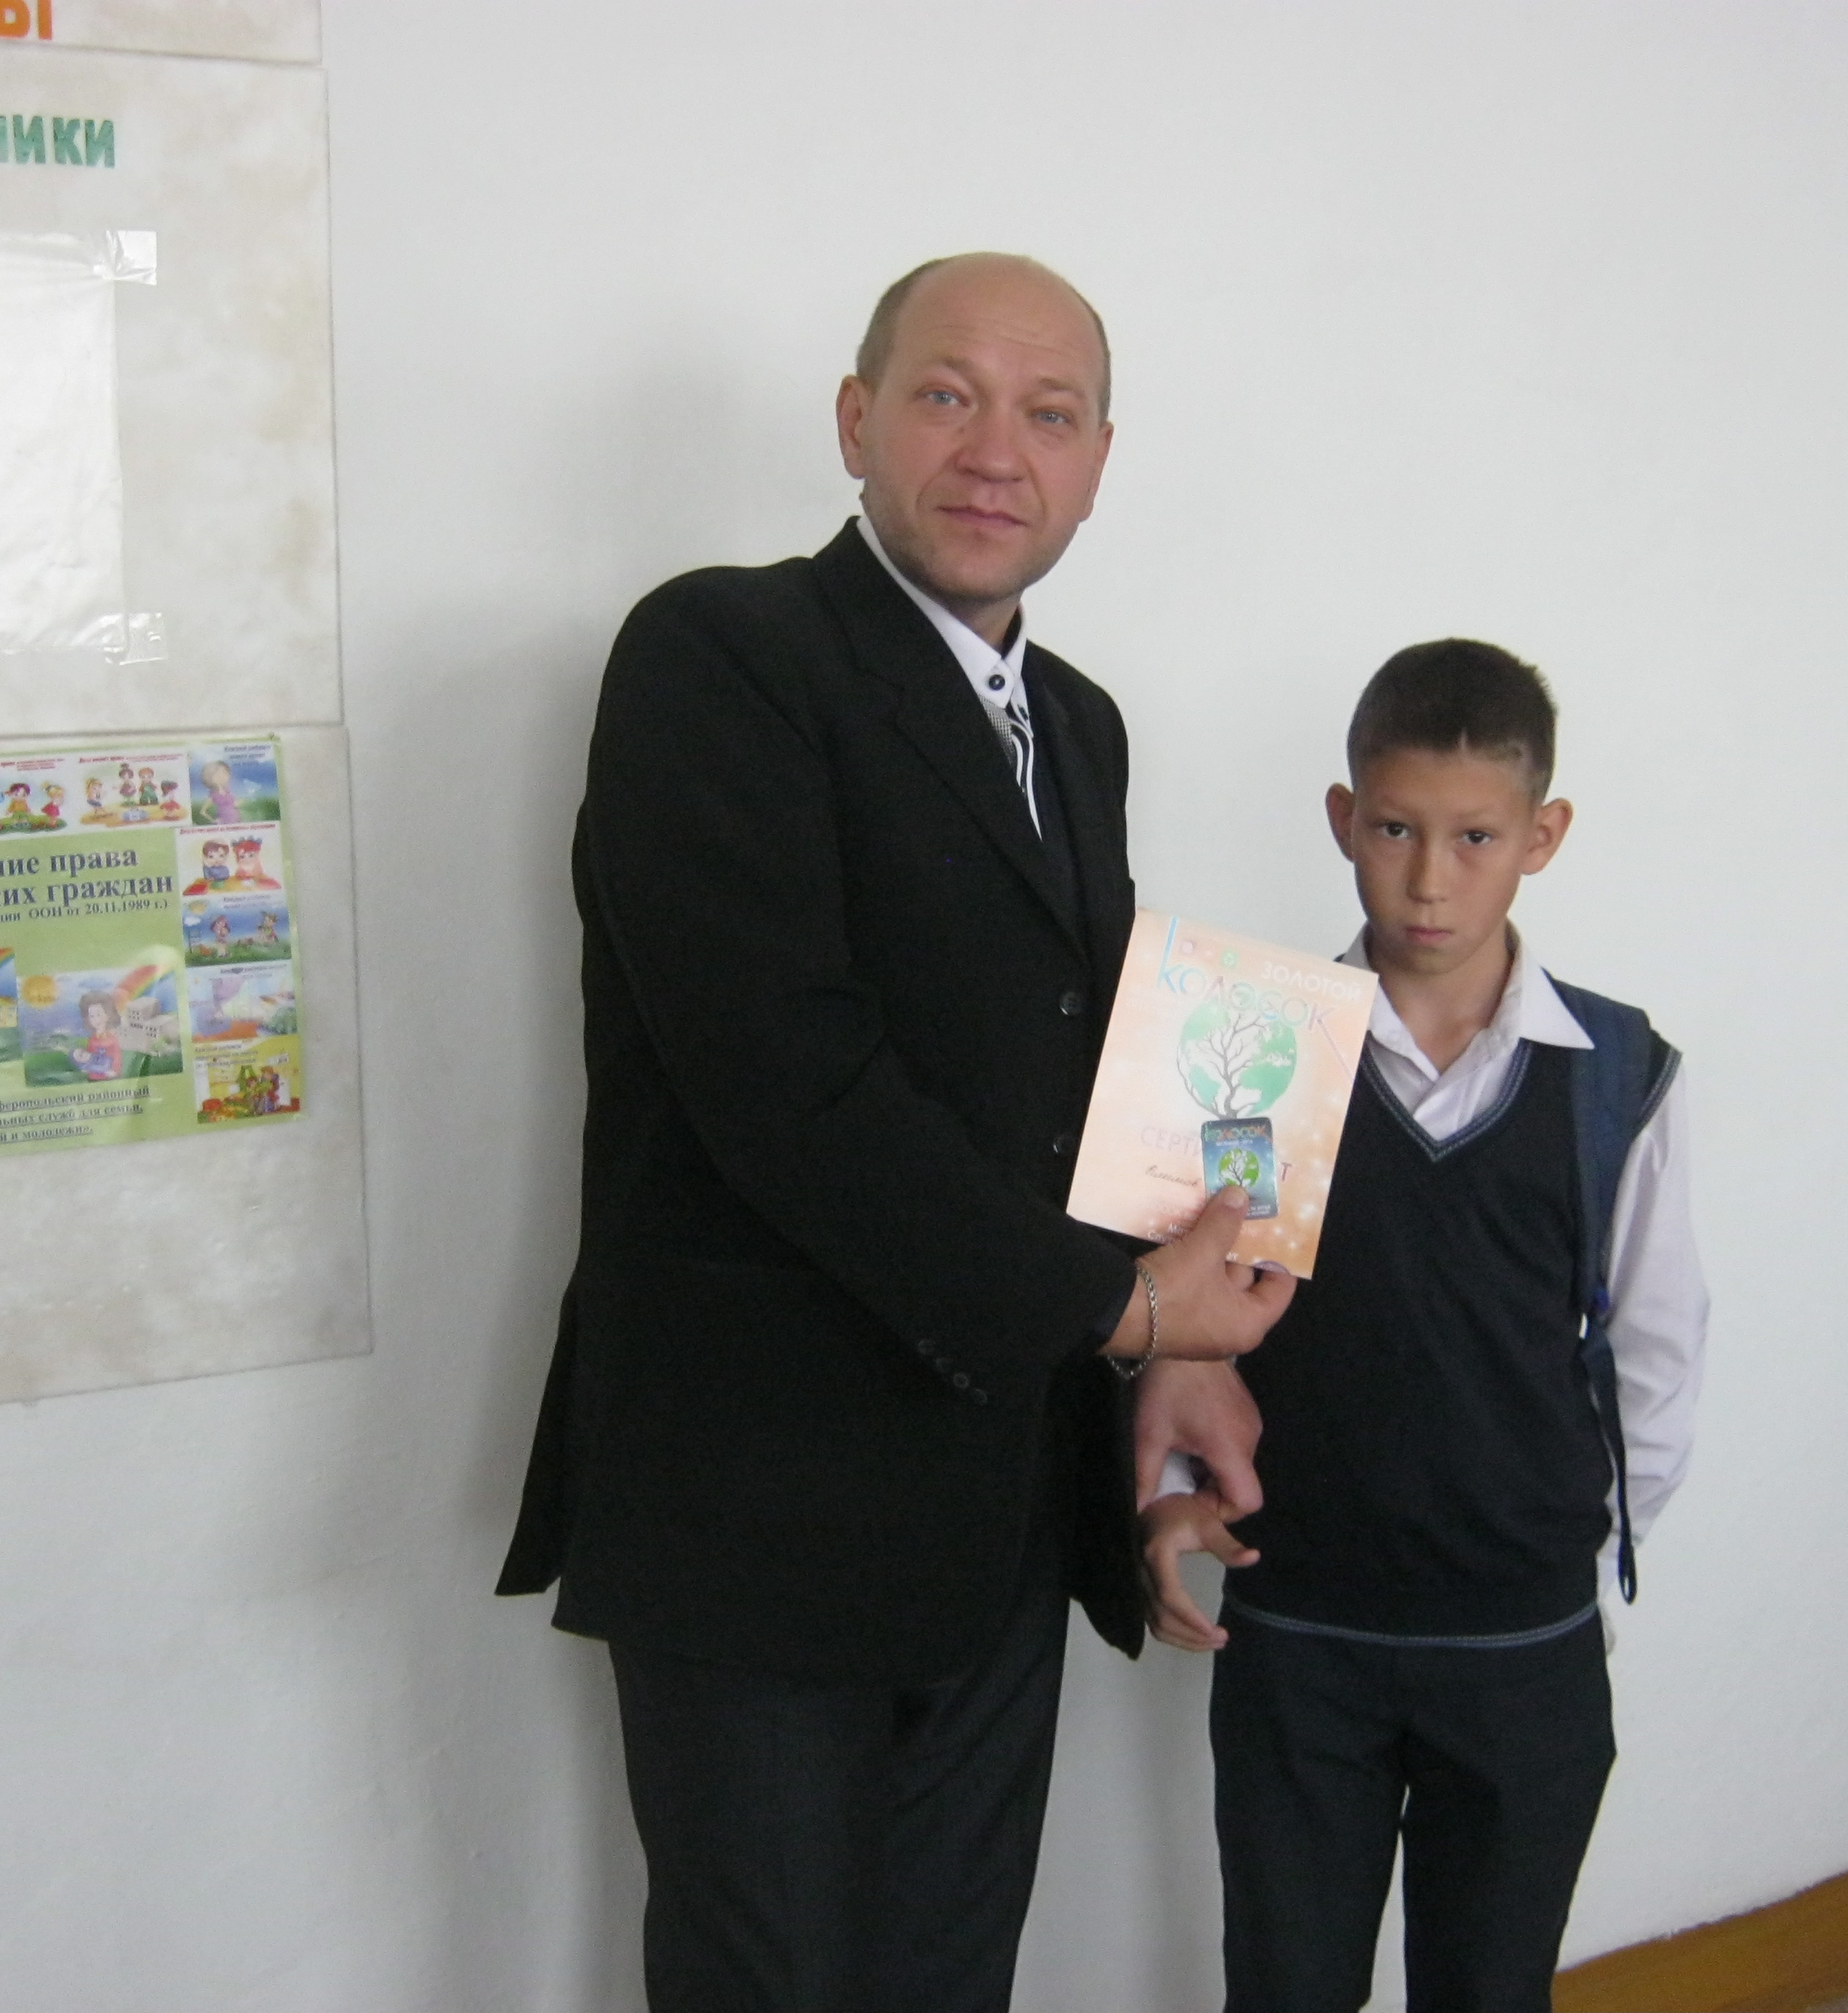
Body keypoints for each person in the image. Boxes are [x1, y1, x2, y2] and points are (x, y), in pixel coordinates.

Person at [497, 252, 1293, 2013]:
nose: (998, 450)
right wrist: (1125, 1310)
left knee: (948, 1976)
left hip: (997, 1495)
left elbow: (1099, 1080)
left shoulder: (1078, 727)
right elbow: (794, 1084)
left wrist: (1172, 1356)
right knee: (768, 1983)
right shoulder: (722, 653)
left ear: (1099, 463)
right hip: (760, 1497)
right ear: (857, 422)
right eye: (947, 395)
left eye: (1051, 414)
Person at [1140, 642, 1708, 2013]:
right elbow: (1194, 1308)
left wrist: (1564, 1552)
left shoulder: (1614, 1075)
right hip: (1301, 1628)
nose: (1432, 879)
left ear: (1542, 837)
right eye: (1396, 830)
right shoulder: (1252, 1051)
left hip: (1523, 1645)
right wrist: (1168, 1495)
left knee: (1492, 1986)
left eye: (1476, 838)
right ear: (1345, 819)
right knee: (1287, 1984)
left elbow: (1658, 1348)